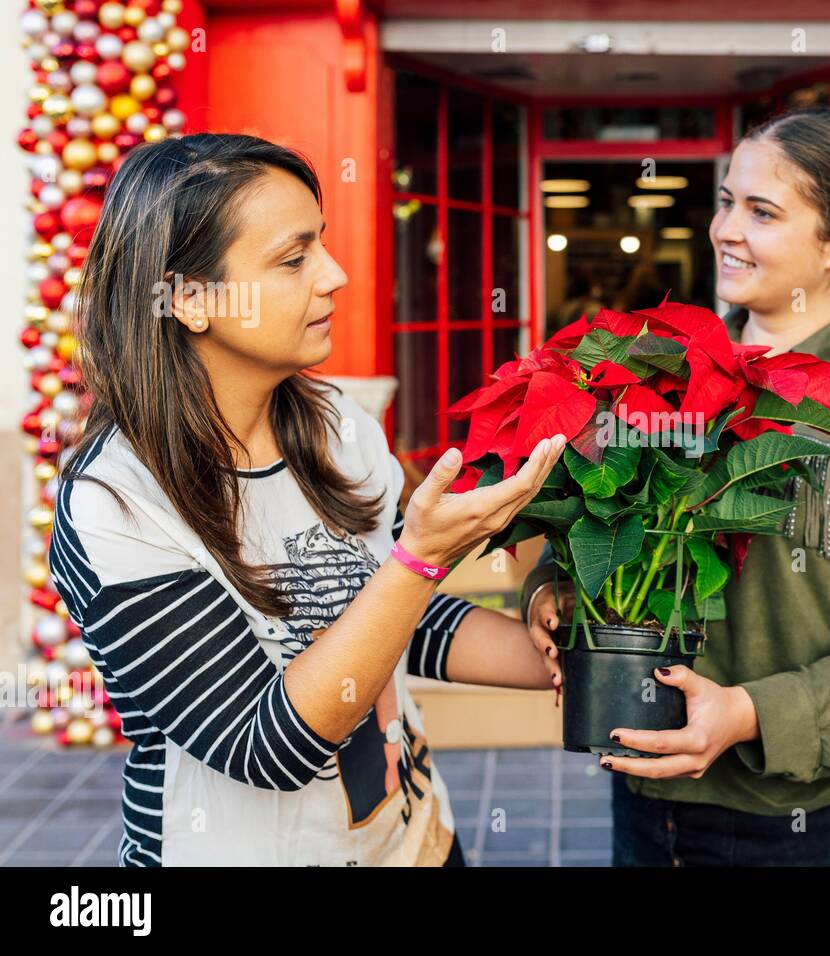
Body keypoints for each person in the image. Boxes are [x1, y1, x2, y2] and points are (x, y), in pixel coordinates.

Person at [50, 133, 565, 866]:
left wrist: (566, 658)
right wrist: (419, 558)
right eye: (294, 259)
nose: (336, 275)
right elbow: (265, 747)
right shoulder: (116, 504)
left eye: (320, 244)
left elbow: (387, 621)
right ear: (190, 299)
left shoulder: (335, 427)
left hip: (413, 841)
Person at [523, 107, 830, 866]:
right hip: (649, 800)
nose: (727, 228)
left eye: (762, 212)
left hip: (829, 816)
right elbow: (591, 522)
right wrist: (548, 592)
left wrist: (745, 712)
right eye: (727, 201)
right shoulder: (655, 376)